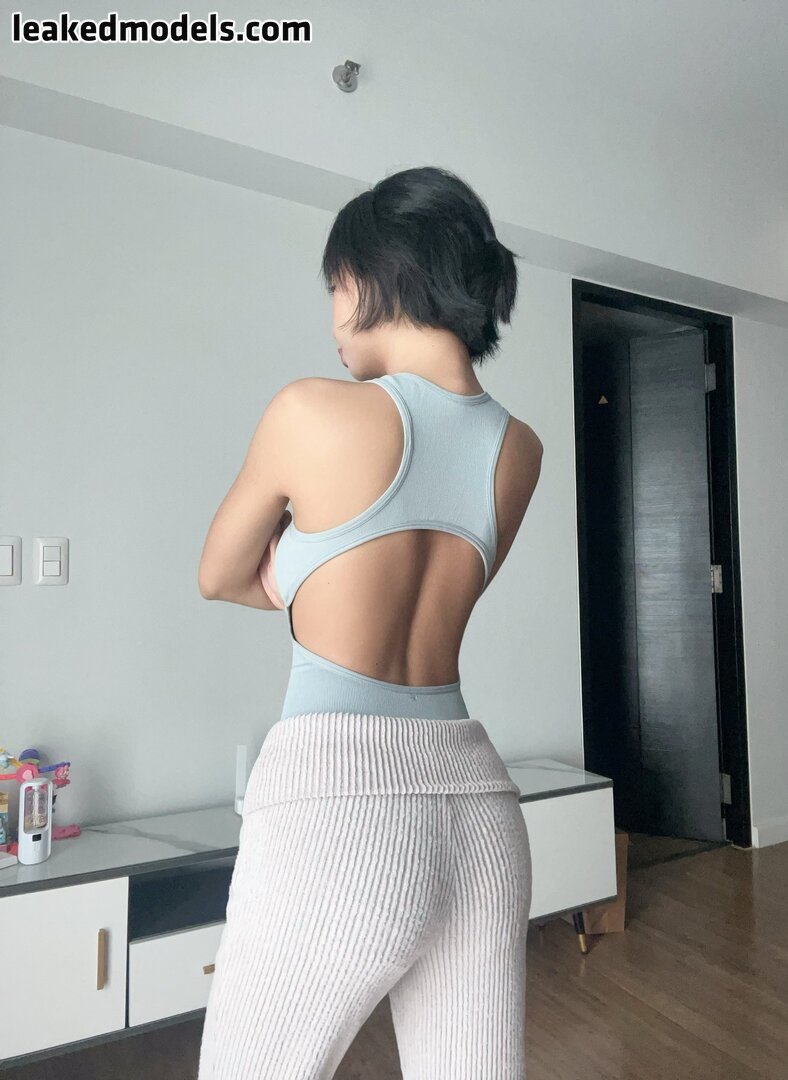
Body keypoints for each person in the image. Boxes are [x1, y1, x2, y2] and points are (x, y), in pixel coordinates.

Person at [196, 165, 544, 1079]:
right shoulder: (520, 449)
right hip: (479, 809)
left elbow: (219, 575)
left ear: (373, 275)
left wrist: (295, 565)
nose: (331, 318)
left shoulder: (309, 410)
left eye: (333, 287)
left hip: (338, 801)